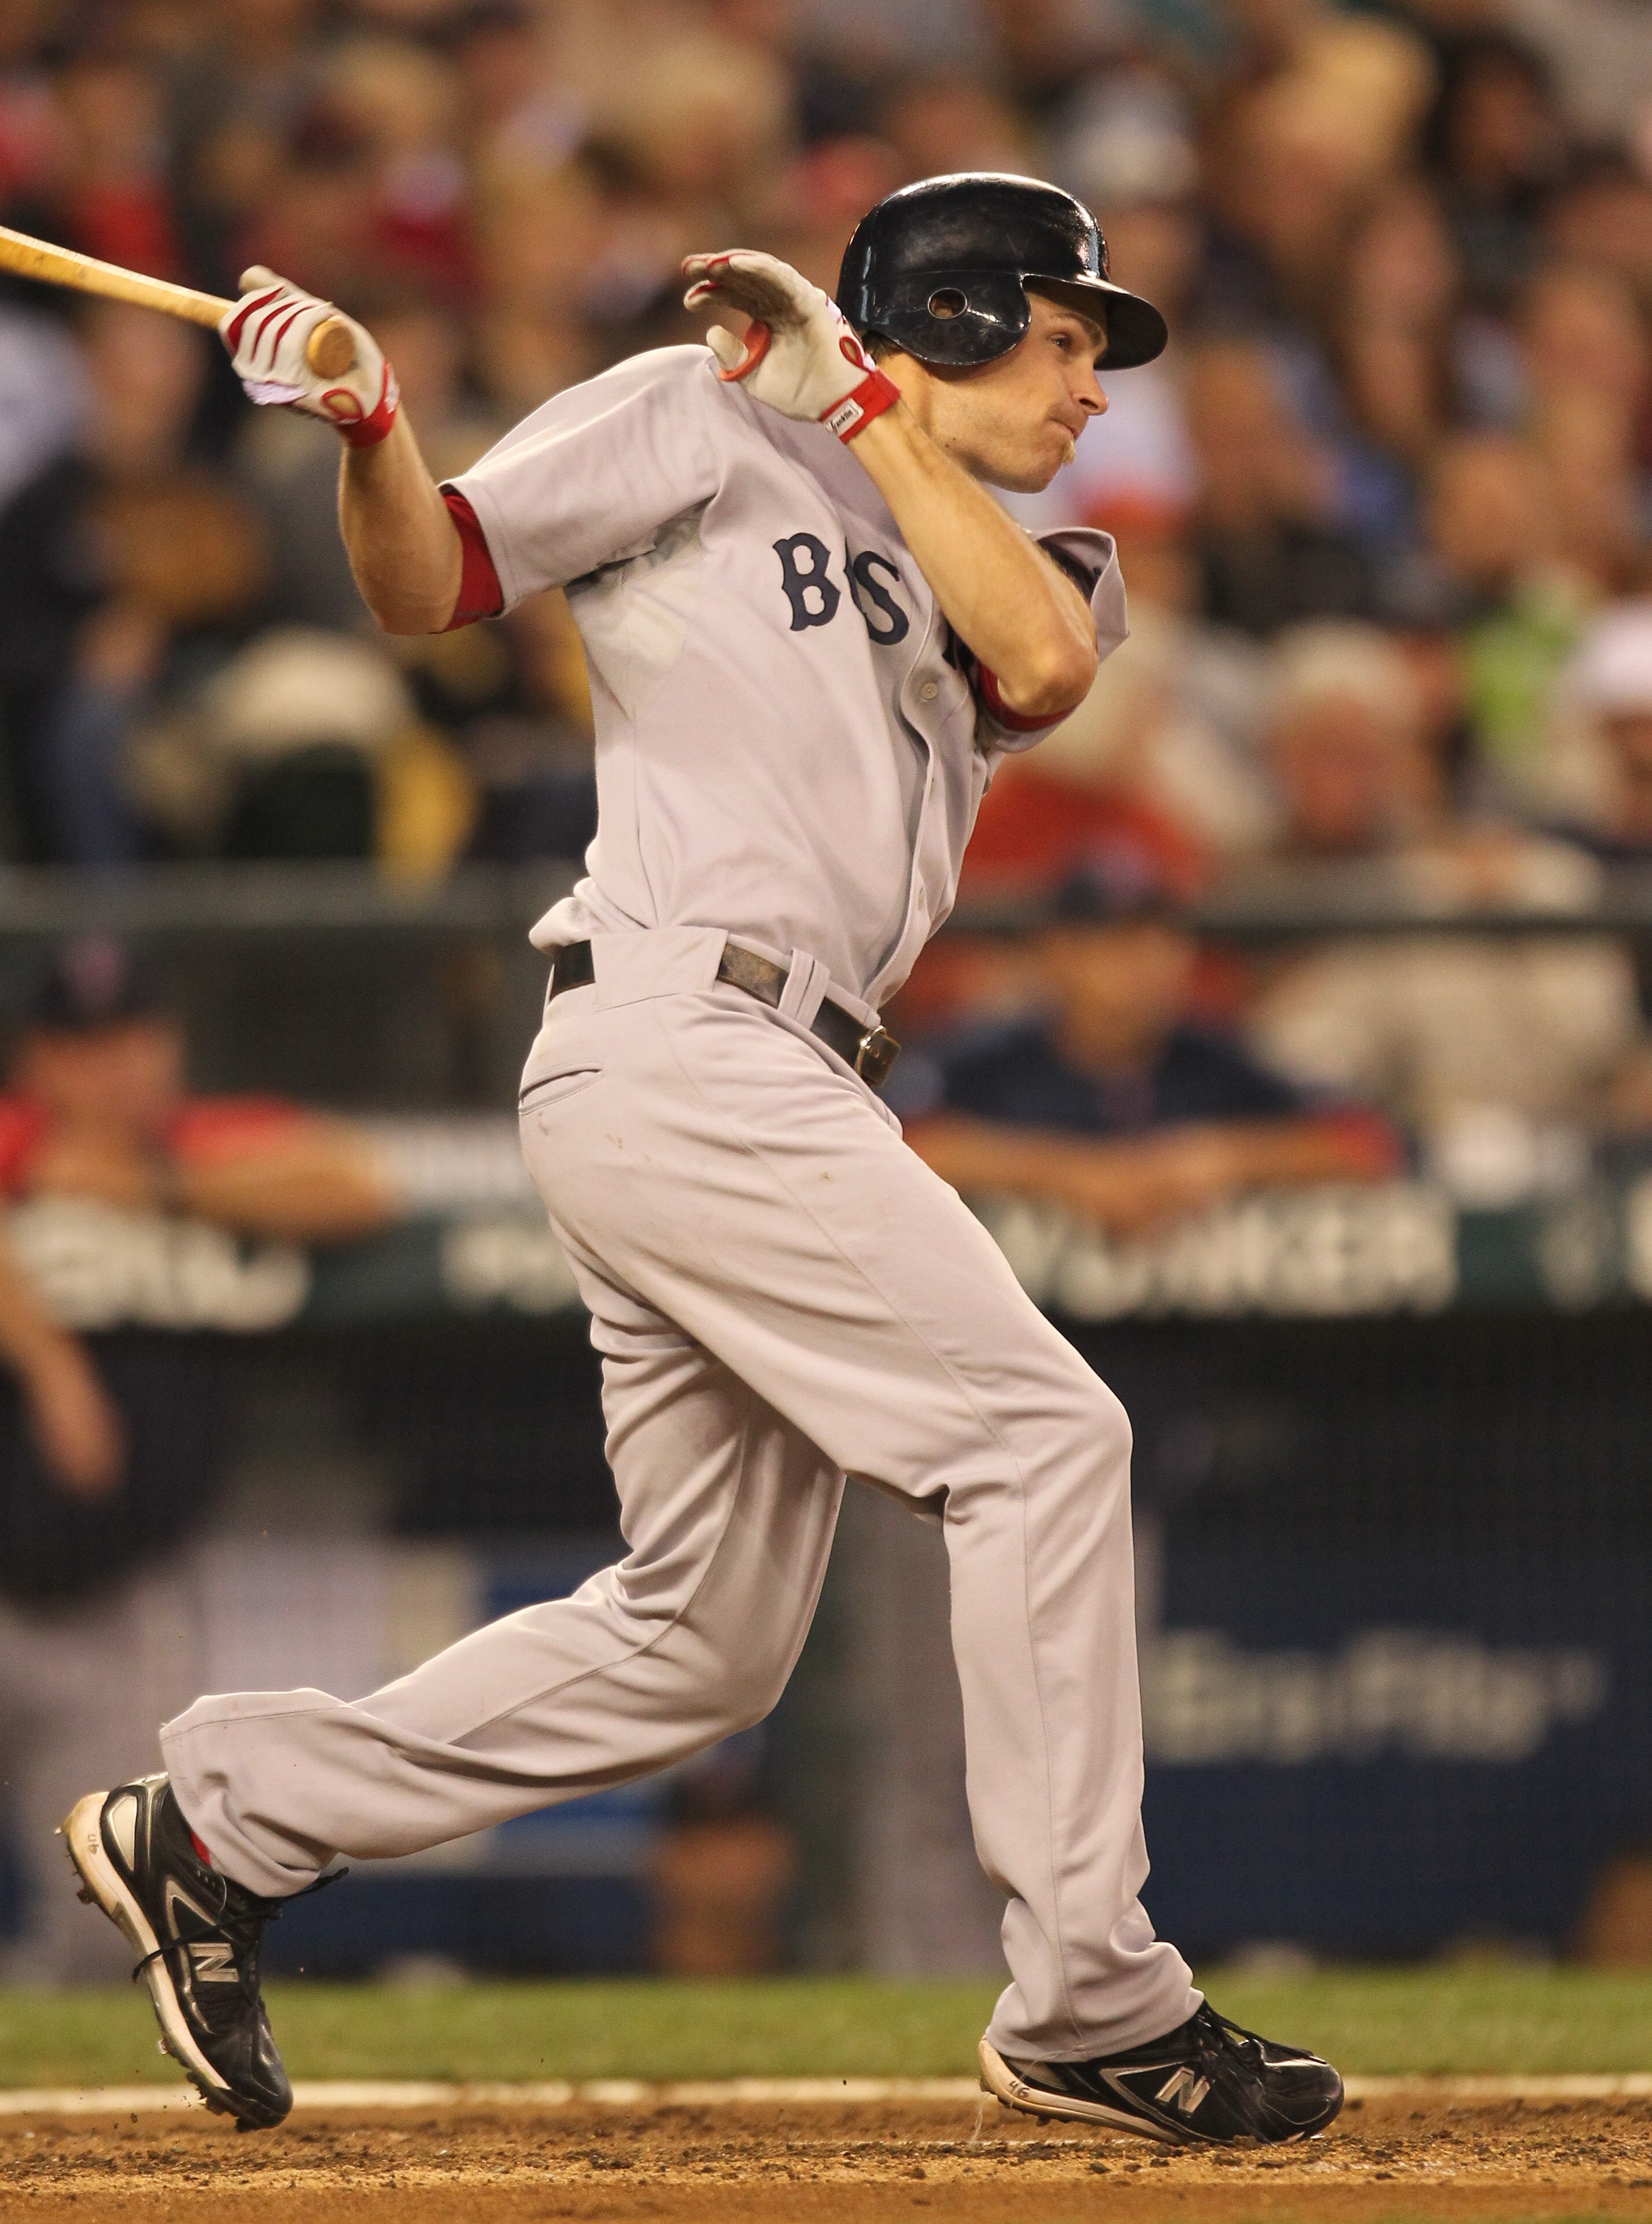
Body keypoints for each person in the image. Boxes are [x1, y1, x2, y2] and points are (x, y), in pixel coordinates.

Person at [65, 172, 1344, 2151]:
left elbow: (1045, 670)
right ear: (952, 312)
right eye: (1065, 334)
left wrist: (854, 412)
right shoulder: (691, 411)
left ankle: (230, 1818)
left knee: (704, 1639)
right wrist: (370, 422)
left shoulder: (1038, 552)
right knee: (1042, 1439)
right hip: (680, 1027)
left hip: (786, 1069)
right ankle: (1096, 1993)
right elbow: (433, 583)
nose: (1092, 385)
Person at [0, 934, 396, 1980]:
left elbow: (359, 1185)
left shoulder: (206, 1149)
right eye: (87, 1045)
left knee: (110, 1933)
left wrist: (156, 1190)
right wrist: (48, 1361)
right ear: (41, 1058)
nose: (118, 1065)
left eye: (136, 1036)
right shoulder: (16, 1143)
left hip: (117, 1606)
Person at [904, 848, 1397, 1236]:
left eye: (1157, 936)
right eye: (1110, 941)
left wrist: (1221, 1157)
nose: (1140, 963)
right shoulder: (993, 1057)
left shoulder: (1212, 1057)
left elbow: (1365, 1145)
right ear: (1056, 953)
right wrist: (1068, 1175)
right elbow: (896, 1141)